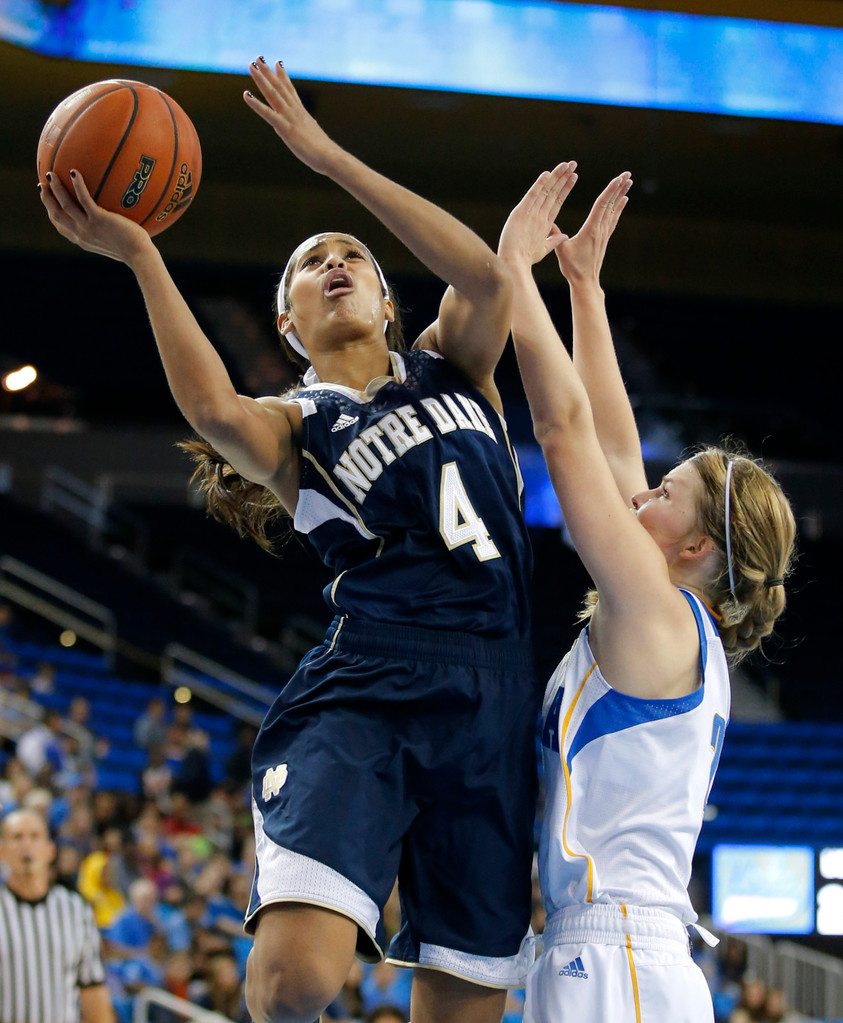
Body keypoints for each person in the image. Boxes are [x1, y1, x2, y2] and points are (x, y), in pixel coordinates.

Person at [40, 56, 537, 1023]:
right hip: (373, 679)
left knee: (463, 1008)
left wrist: (326, 158)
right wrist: (144, 255)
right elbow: (212, 407)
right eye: (310, 262)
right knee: (293, 984)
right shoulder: (295, 422)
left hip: (496, 691)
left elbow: (484, 272)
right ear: (287, 319)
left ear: (392, 302)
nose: (334, 263)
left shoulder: (455, 367)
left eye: (351, 254)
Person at [497, 163, 795, 1023]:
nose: (642, 494)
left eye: (665, 495)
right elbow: (615, 449)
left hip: (617, 955)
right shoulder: (667, 619)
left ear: (695, 547)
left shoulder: (660, 617)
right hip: (616, 953)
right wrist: (583, 290)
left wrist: (515, 277)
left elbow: (564, 433)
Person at [0, 807, 115, 1023]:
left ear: (50, 850)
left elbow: (93, 989)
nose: (27, 845)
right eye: (17, 837)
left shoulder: (75, 909)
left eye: (35, 836)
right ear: (2, 851)